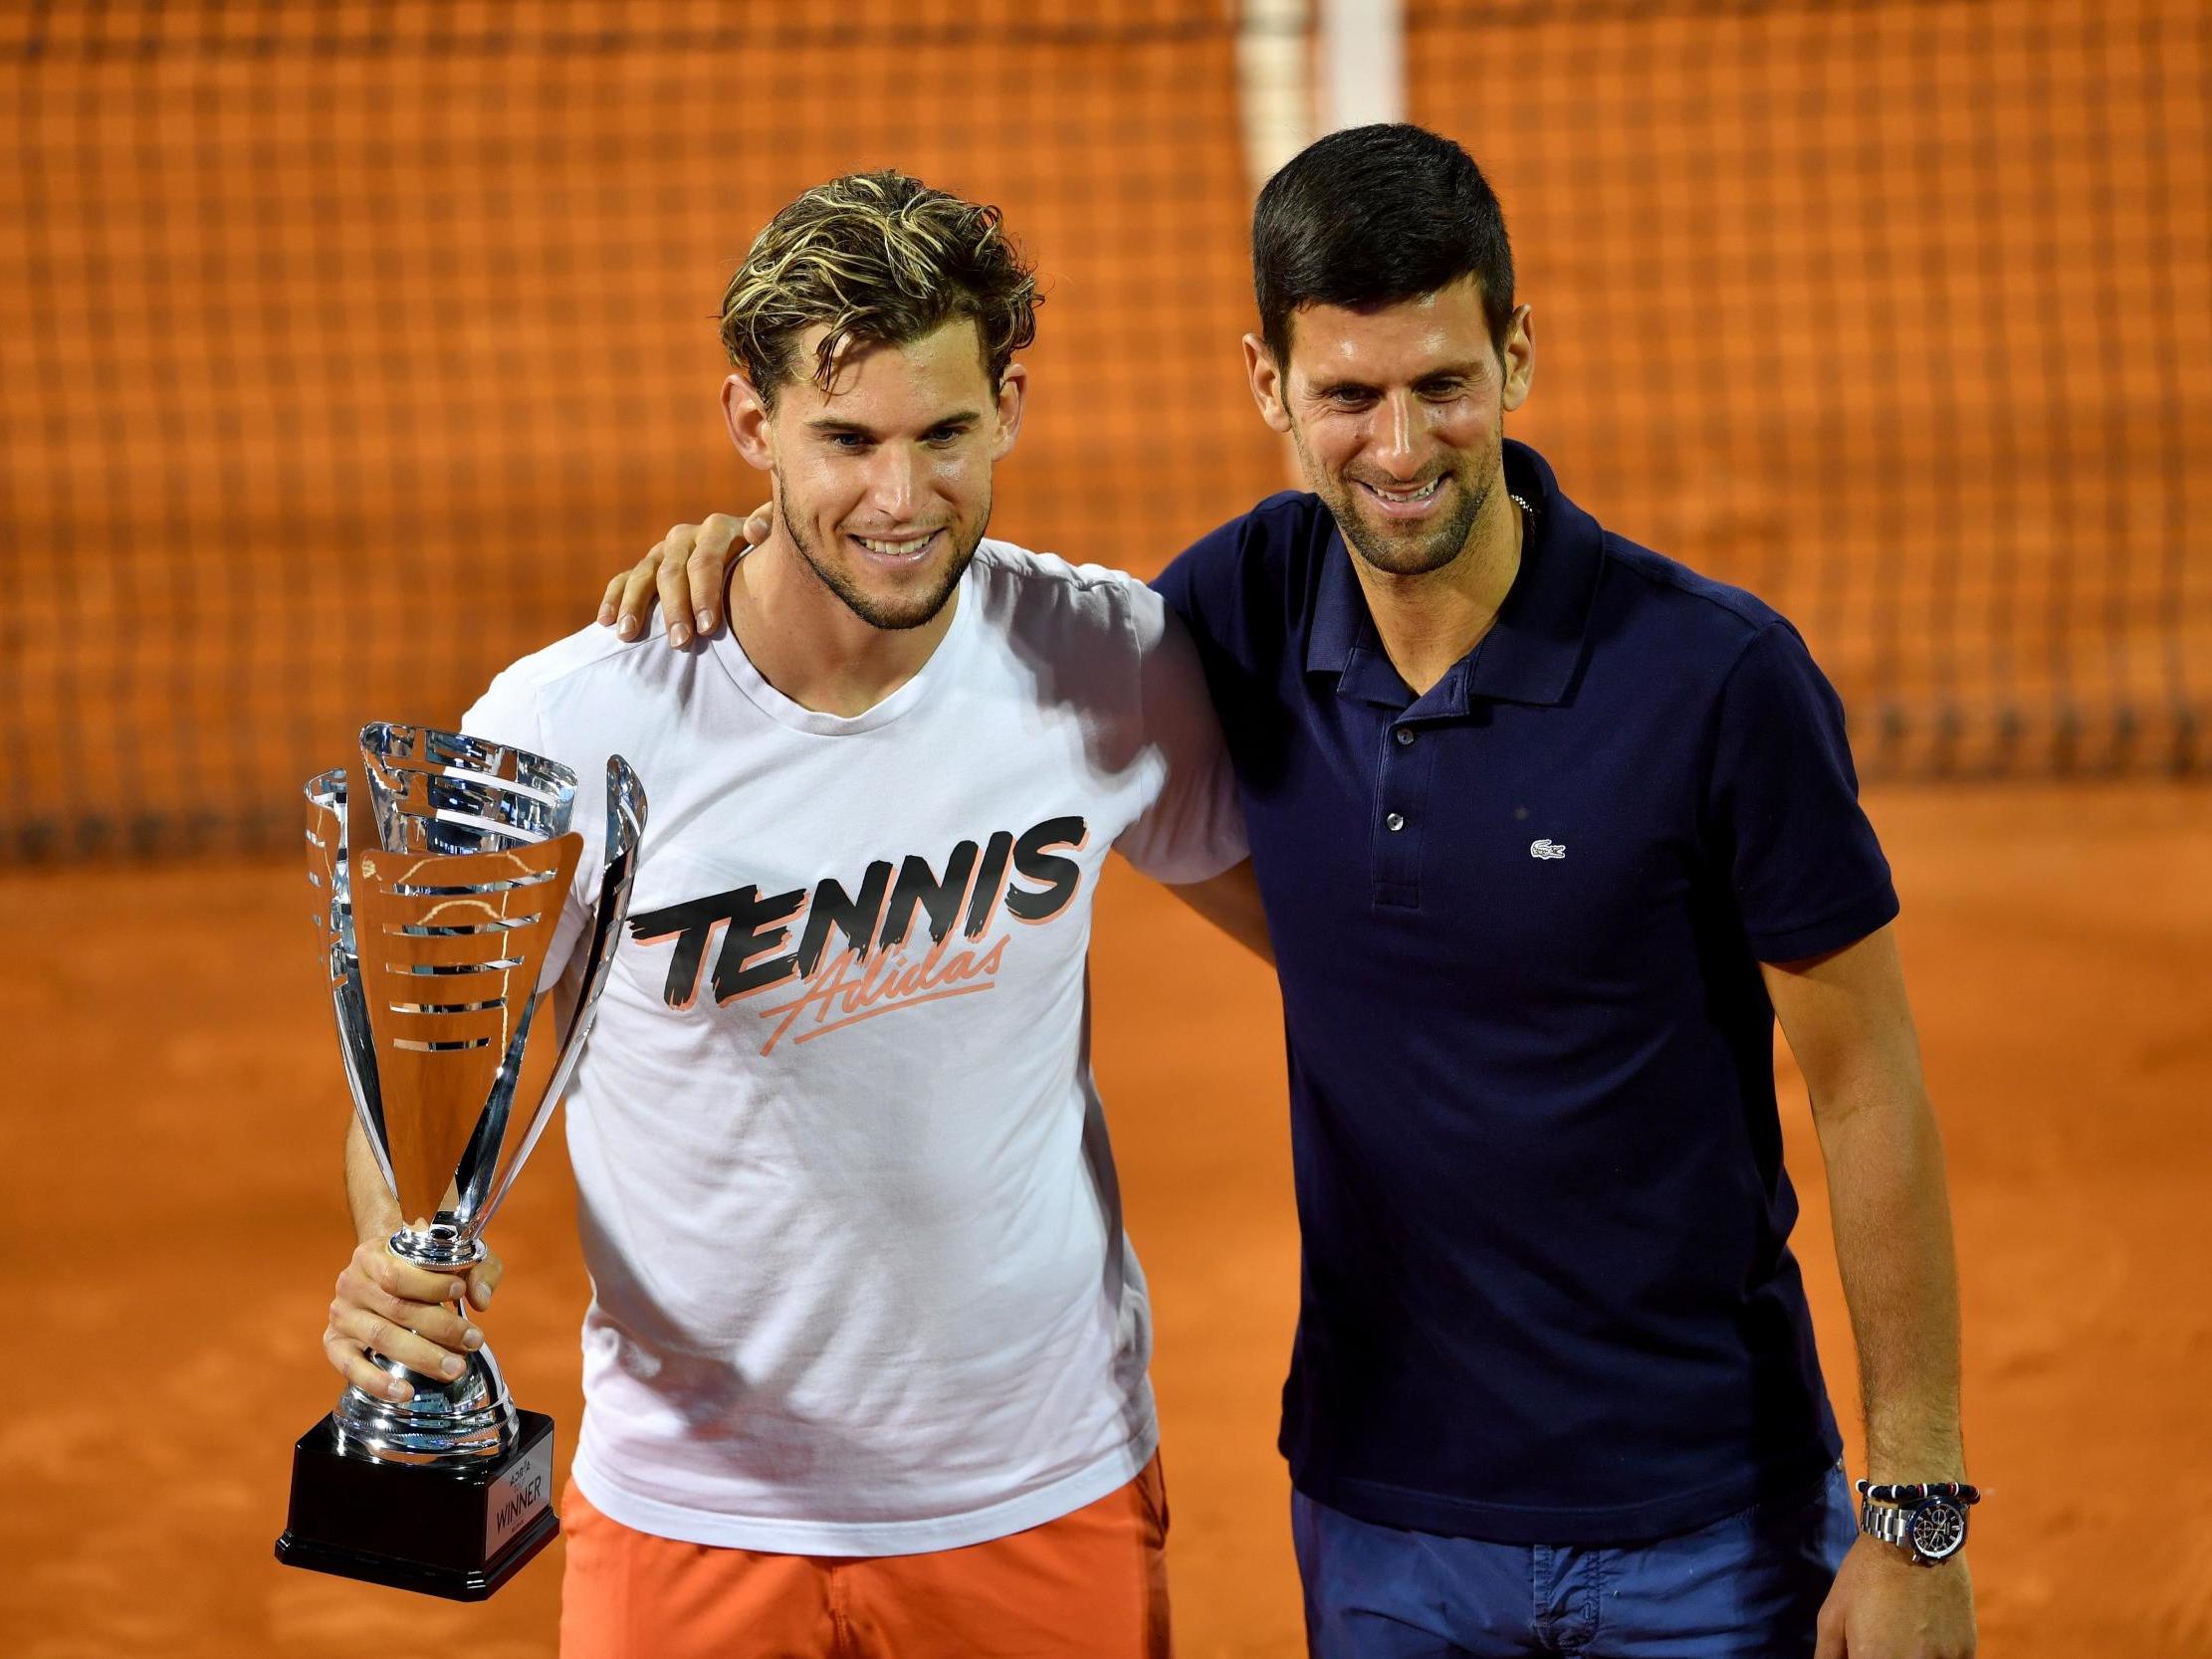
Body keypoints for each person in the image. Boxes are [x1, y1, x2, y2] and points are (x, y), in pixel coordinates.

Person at [605, 125, 1978, 1658]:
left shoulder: (1716, 679)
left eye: (1442, 385)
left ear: (1514, 357)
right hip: (1381, 1508)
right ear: (1268, 386)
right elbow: (925, 612)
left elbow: (1865, 1084)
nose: (1398, 449)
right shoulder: (1218, 625)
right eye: (1347, 397)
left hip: (1701, 1518)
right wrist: (744, 563)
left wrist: (1914, 1508)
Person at [322, 168, 1260, 1659]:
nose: (900, 497)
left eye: (945, 431)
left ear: (1009, 403)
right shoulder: (573, 720)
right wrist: (399, 1259)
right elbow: (427, 1084)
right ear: (752, 427)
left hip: (1036, 1493)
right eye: (846, 439)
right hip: (692, 1511)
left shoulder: (1103, 660)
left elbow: (1329, 938)